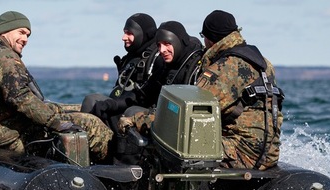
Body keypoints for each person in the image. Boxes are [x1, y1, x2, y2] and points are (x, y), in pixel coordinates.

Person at [121, 10, 284, 170]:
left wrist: (137, 119)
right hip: (270, 153)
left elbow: (184, 118)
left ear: (210, 39)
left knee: (175, 142)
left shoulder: (223, 70)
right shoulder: (264, 63)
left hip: (242, 154)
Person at [0, 11, 113, 163]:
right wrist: (56, 123)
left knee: (74, 109)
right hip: (9, 135)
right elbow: (21, 98)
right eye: (21, 32)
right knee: (91, 124)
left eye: (28, 35)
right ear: (6, 30)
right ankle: (112, 180)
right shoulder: (2, 55)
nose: (25, 39)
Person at [83, 13, 162, 127]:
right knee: (91, 100)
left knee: (130, 112)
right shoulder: (131, 57)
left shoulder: (156, 61)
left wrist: (113, 105)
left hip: (139, 113)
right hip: (118, 106)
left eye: (129, 33)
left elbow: (143, 99)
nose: (123, 37)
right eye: (124, 32)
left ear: (143, 34)